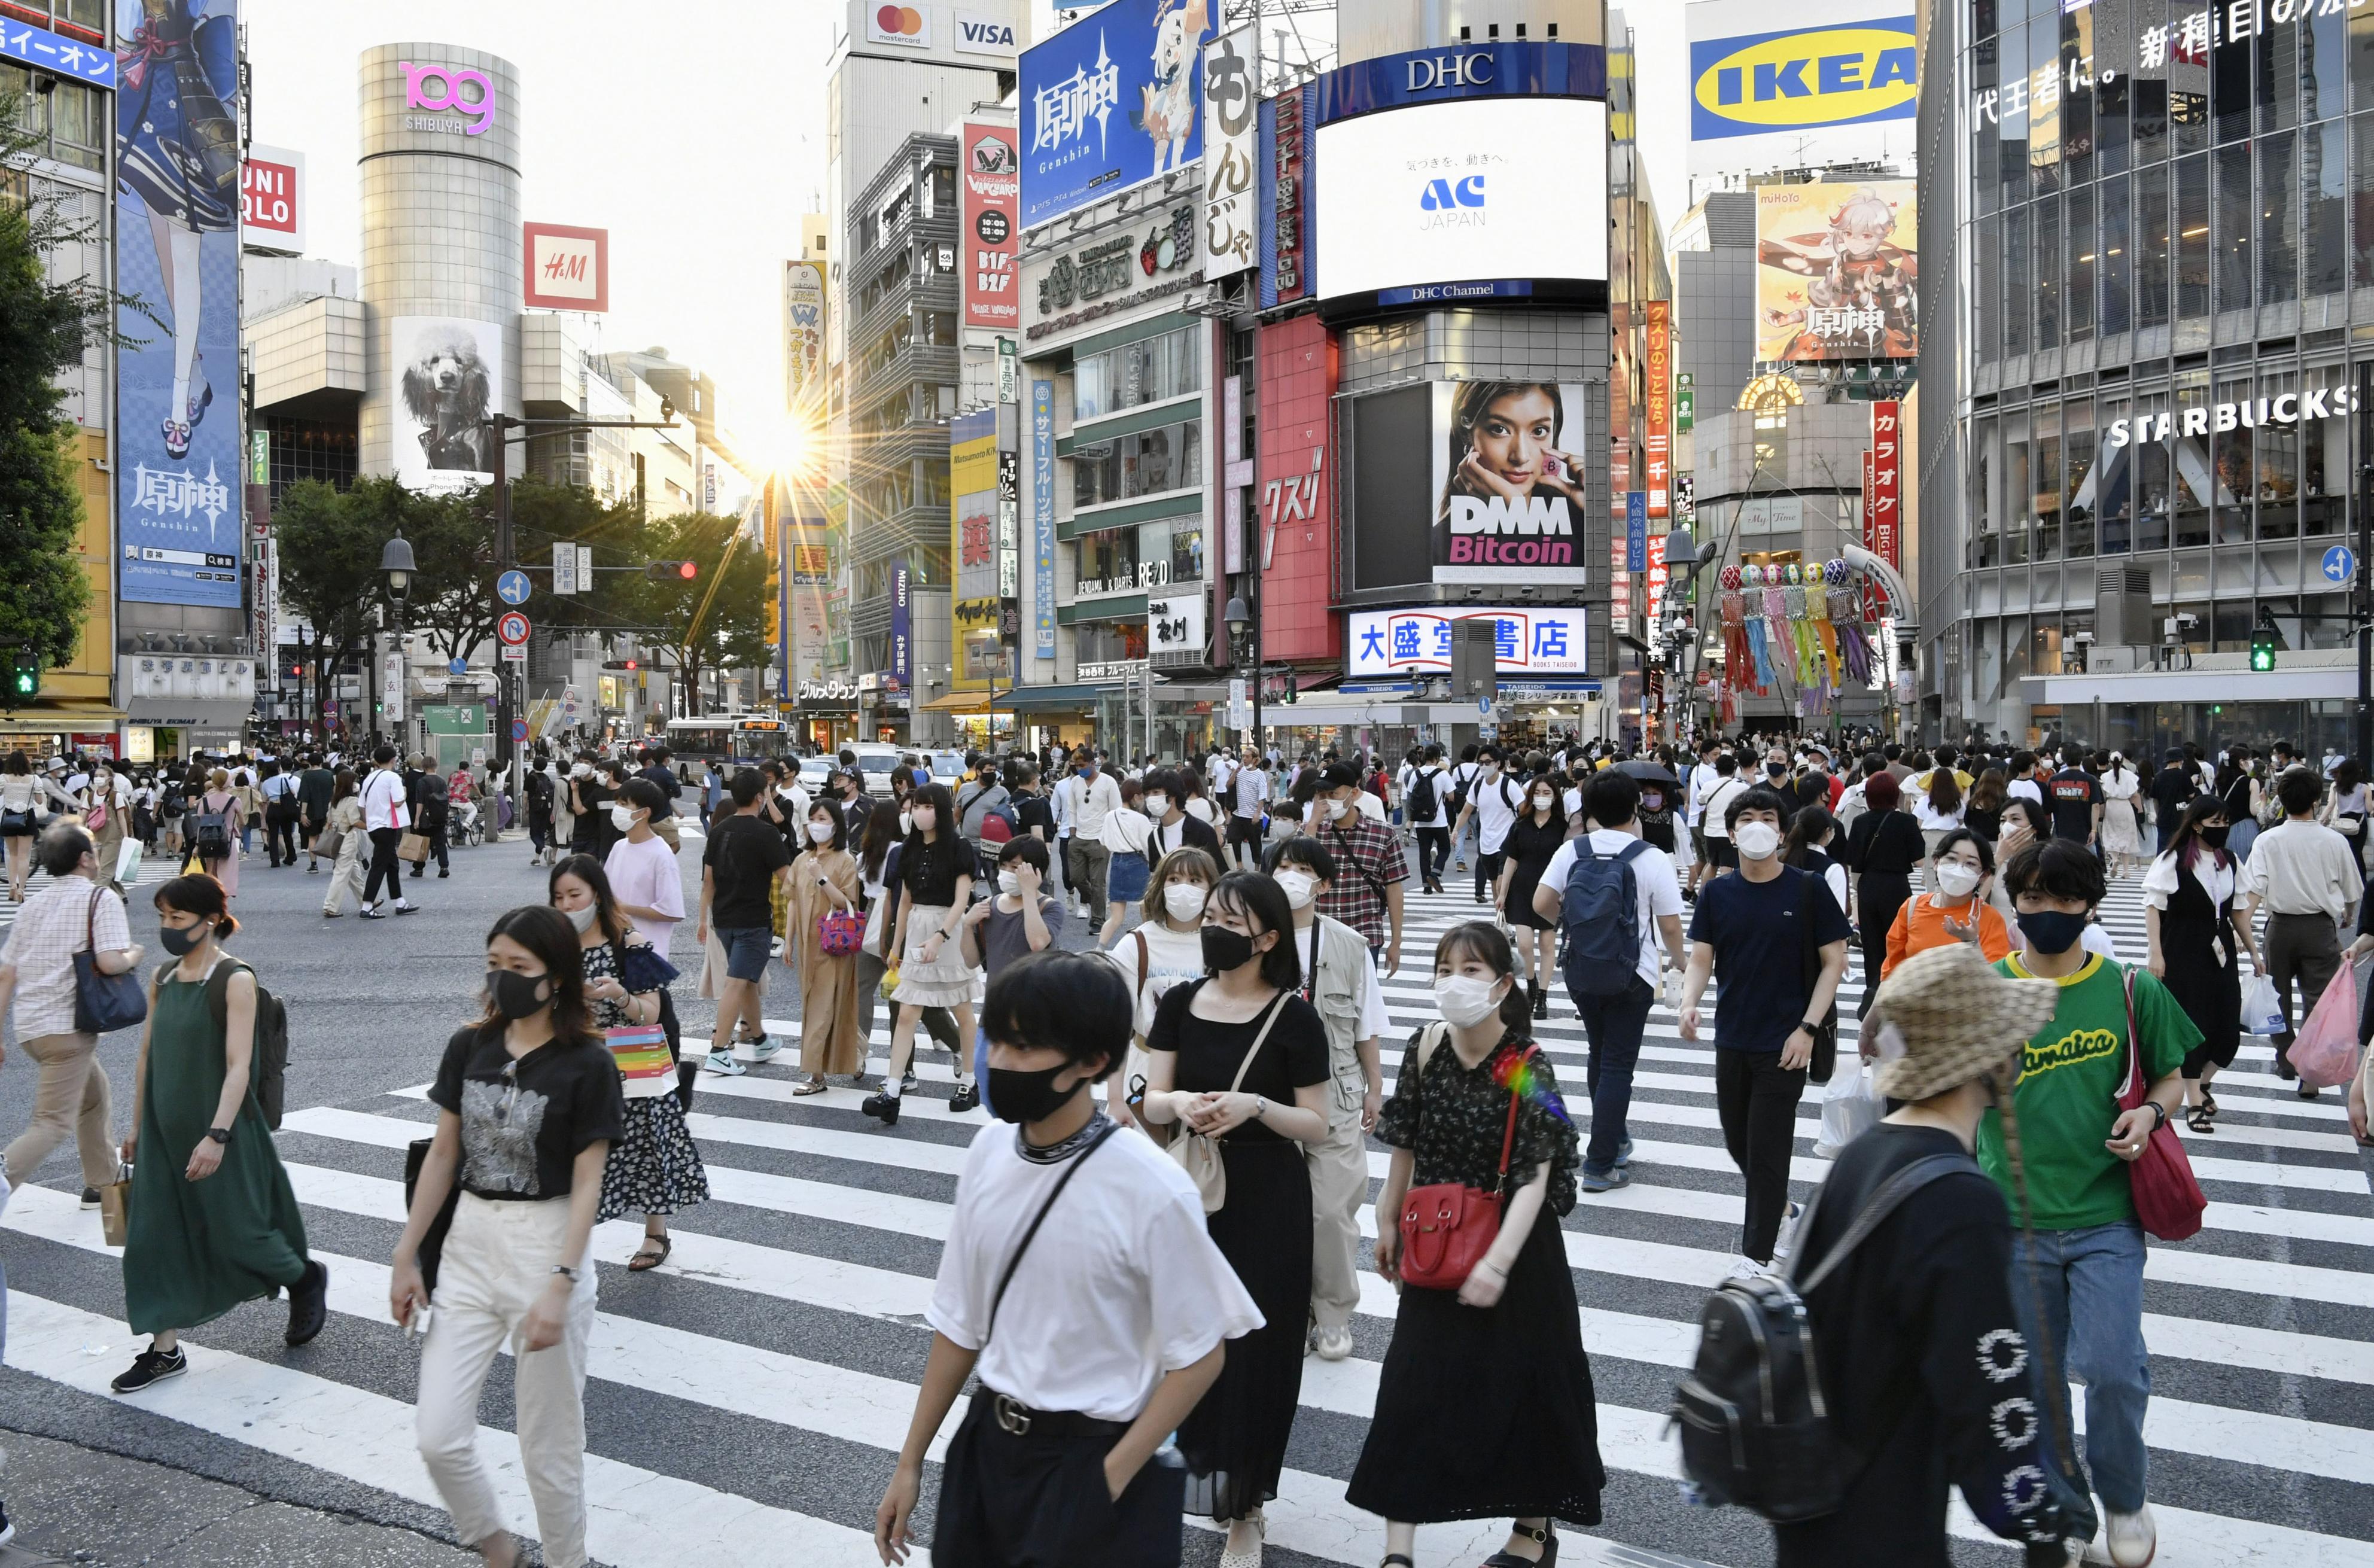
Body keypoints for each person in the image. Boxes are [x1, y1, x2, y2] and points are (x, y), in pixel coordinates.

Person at [871, 951, 1259, 1568]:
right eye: (997, 1040)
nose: (999, 1062)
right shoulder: (987, 1151)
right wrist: (910, 1461)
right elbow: (959, 1323)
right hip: (988, 1444)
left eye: (1024, 1047)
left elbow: (1200, 1354)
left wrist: (1106, 1480)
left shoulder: (1151, 1187)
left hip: (1091, 1454)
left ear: (1092, 1061)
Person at [1775, 942, 2084, 1566]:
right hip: (1883, 1510)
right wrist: (2034, 1518)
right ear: (1987, 1054)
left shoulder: (1863, 1155)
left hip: (1810, 1491)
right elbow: (1982, 1383)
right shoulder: (1957, 1195)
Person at [1350, 920, 1603, 1567]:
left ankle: (1532, 1532)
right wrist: (1384, 1223)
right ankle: (1396, 1551)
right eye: (1444, 969)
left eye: (1469, 970)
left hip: (1517, 1255)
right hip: (1436, 1239)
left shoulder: (1525, 1062)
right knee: (1413, 1385)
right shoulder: (1426, 1045)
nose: (1453, 982)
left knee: (1527, 1386)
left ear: (1501, 984)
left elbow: (1537, 1172)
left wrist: (1496, 1262)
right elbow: (1403, 1142)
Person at [392, 905, 622, 1568]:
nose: (503, 979)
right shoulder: (471, 1045)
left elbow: (588, 1183)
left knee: (548, 1445)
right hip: (468, 1240)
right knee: (438, 1433)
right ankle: (496, 1545)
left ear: (557, 977)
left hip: (545, 1242)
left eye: (519, 967)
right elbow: (442, 1153)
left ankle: (564, 1560)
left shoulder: (588, 1064)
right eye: (494, 964)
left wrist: (562, 1279)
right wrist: (407, 1252)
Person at [1989, 838, 2195, 1568]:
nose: (2048, 911)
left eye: (2064, 897)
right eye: (2034, 897)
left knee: (2112, 1369)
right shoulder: (1986, 990)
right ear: (2013, 901)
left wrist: (2151, 1115)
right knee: (2036, 1381)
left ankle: (2124, 1495)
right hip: (2011, 1219)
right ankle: (2064, 1509)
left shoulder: (2130, 989)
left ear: (2089, 903)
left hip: (2106, 1217)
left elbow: (2171, 1078)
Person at [1136, 871, 1329, 1564]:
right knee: (1180, 1341)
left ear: (1268, 937)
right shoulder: (1181, 1001)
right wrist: (1183, 1102)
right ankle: (1182, 1469)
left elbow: (1316, 1120)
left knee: (1258, 1351)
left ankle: (1246, 1505)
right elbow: (1150, 1100)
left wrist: (1254, 1107)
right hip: (1190, 1193)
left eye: (1230, 917)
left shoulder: (1294, 1015)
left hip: (1269, 1197)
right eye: (1210, 912)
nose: (1212, 923)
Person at [110, 873, 328, 1395]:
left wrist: (217, 1136)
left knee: (241, 1234)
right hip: (165, 1135)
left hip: (221, 1132)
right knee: (151, 1240)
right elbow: (148, 1058)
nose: (167, 927)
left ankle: (302, 1278)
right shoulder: (163, 977)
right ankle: (165, 1351)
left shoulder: (235, 979)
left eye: (177, 918)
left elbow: (239, 1066)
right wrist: (137, 1124)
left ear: (210, 921)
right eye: (162, 917)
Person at [1678, 785, 1850, 1275]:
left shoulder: (1807, 888)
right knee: (1740, 1142)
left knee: (1769, 1149)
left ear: (1782, 831)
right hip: (1733, 1035)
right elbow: (1701, 957)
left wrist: (1808, 1028)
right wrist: (1690, 1004)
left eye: (1769, 818)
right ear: (1731, 833)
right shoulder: (1716, 892)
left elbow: (1833, 961)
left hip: (1787, 1042)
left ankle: (1757, 1256)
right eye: (1748, 818)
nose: (1759, 825)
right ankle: (1786, 1213)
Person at [549, 855, 707, 1272]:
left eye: (574, 895)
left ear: (596, 895)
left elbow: (651, 1012)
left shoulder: (628, 942)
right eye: (559, 897)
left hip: (632, 1054)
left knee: (646, 1145)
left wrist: (618, 994)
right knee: (570, 1146)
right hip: (576, 1060)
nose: (566, 904)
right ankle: (561, 1240)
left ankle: (656, 1232)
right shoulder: (552, 944)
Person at [1533, 769, 1687, 1196]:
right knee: (1618, 1063)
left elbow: (1541, 903)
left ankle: (1614, 1139)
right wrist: (1681, 963)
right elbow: (1670, 926)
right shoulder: (1651, 856)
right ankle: (1601, 1162)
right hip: (1632, 974)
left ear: (1589, 811)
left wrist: (1574, 927)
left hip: (1582, 970)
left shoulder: (1572, 851)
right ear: (1635, 807)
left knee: (1599, 1052)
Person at [1263, 836, 1384, 1363]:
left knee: (1333, 1211)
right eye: (1283, 867)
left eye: (1302, 869)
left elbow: (1367, 1021)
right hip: (1266, 1098)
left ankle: (1333, 1314)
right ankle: (1287, 1309)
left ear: (1324, 883)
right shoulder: (1250, 938)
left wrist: (1375, 1086)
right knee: (1272, 1213)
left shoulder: (1349, 945)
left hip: (1334, 1095)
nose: (1291, 876)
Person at [0, 824, 140, 1210]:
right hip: (68, 1030)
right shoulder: (101, 899)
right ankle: (1, 1183)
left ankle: (103, 1187)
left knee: (95, 1097)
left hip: (31, 1029)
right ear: (85, 859)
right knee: (51, 1123)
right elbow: (111, 962)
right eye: (93, 850)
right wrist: (134, 955)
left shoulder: (32, 905)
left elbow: (6, 973)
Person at [2142, 797, 2262, 1135]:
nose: (2222, 829)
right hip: (2181, 950)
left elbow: (2238, 910)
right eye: (2215, 823)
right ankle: (2194, 1103)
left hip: (2220, 950)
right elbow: (2154, 906)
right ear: (2196, 824)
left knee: (2227, 1028)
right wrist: (2156, 953)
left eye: (2226, 823)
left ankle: (2202, 1084)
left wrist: (2254, 951)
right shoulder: (2173, 860)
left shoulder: (2230, 861)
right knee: (2192, 1024)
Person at [863, 783, 980, 1124]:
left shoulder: (959, 848)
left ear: (940, 810)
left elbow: (962, 900)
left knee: (962, 1008)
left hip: (949, 929)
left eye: (926, 806)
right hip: (916, 929)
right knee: (906, 1013)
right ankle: (893, 1090)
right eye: (915, 807)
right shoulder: (906, 850)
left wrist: (940, 937)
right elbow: (904, 902)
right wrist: (895, 948)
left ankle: (969, 1081)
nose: (918, 813)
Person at [2241, 767, 2356, 1098]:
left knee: (2277, 997)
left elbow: (2255, 889)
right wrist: (2346, 916)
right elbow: (2352, 892)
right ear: (2317, 801)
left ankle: (2285, 1058)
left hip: (2280, 927)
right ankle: (2311, 1072)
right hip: (2320, 927)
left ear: (2282, 800)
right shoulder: (2333, 840)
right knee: (2319, 1001)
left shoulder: (2267, 840)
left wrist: (2243, 930)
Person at [1102, 845, 1221, 1134]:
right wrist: (1115, 1099)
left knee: (1201, 1168)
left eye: (1195, 881)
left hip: (1208, 1070)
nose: (1184, 889)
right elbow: (1118, 1027)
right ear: (1161, 884)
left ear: (1211, 888)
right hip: (1143, 1072)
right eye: (1174, 880)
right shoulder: (1137, 943)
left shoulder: (1221, 940)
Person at [696, 770, 796, 1076]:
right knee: (738, 982)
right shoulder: (765, 833)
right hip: (753, 920)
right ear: (759, 797)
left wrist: (703, 919)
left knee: (747, 980)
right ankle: (718, 1050)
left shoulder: (719, 830)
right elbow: (787, 879)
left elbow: (708, 882)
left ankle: (760, 1038)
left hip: (723, 919)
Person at [958, 836, 1069, 1106]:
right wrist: (966, 925)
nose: (1007, 872)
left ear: (1035, 872)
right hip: (994, 1015)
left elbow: (1037, 943)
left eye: (1016, 867)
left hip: (1035, 1018)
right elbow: (972, 961)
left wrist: (1030, 894)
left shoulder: (1049, 907)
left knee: (1029, 1095)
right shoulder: (991, 906)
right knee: (989, 1089)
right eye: (1004, 865)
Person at [787, 797, 865, 1095]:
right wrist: (788, 941)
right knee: (820, 1004)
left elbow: (845, 901)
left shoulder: (844, 861)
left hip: (833, 945)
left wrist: (821, 878)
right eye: (813, 819)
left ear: (836, 824)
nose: (817, 825)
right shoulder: (800, 859)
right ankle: (857, 1049)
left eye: (823, 819)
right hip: (808, 945)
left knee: (820, 1008)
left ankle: (816, 1075)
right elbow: (792, 900)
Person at [1885, 827, 2014, 979]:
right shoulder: (1911, 907)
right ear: (1936, 862)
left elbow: (1995, 978)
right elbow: (1891, 968)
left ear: (1983, 875)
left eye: (1970, 863)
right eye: (1952, 859)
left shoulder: (1989, 918)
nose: (1959, 868)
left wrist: (1972, 943)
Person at [1843, 771, 1923, 1015]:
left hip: (1869, 886)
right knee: (1898, 944)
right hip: (1897, 886)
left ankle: (1873, 997)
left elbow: (1853, 861)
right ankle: (1898, 997)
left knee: (1872, 946)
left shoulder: (1860, 822)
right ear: (1895, 795)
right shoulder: (1906, 822)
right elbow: (1919, 859)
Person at [1496, 769, 1568, 1019]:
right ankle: (1532, 984)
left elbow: (1569, 862)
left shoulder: (1563, 827)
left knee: (1547, 944)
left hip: (1551, 892)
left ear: (1555, 797)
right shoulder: (1520, 825)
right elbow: (1510, 860)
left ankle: (1543, 997)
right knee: (1525, 944)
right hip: (1521, 889)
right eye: (1537, 792)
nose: (1541, 797)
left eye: (1547, 793)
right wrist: (1502, 893)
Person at [1450, 746, 1524, 908]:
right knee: (1494, 885)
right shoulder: (1477, 786)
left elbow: (1524, 809)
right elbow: (1466, 811)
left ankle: (1509, 922)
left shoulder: (1509, 785)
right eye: (1481, 763)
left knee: (1502, 885)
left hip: (1507, 843)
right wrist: (1455, 830)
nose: (1483, 766)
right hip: (1486, 844)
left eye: (1487, 762)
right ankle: (1502, 919)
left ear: (1498, 764)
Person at [1059, 753, 1124, 930]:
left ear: (1092, 764)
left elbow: (1116, 810)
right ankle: (1097, 898)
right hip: (1078, 837)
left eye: (1082, 765)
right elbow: (1072, 808)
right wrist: (1072, 830)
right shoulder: (1075, 783)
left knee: (1098, 881)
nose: (1079, 769)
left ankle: (1097, 920)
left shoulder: (1108, 782)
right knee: (1076, 877)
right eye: (1076, 766)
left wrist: (1111, 836)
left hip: (1100, 839)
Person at [358, 745, 421, 918]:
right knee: (378, 866)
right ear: (394, 760)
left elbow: (361, 805)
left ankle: (400, 901)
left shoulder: (369, 778)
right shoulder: (393, 777)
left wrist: (369, 822)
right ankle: (367, 905)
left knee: (392, 864)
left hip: (374, 826)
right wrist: (406, 793)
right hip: (387, 825)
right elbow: (398, 802)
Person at [1098, 774, 1156, 947]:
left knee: (1116, 916)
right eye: (1141, 797)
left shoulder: (1111, 816)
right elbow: (1149, 846)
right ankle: (1150, 945)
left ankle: (1100, 947)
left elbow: (1103, 840)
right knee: (1146, 910)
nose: (1143, 801)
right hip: (1137, 862)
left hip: (1117, 862)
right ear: (1135, 797)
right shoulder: (1141, 819)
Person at [317, 771, 370, 918]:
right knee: (341, 873)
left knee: (354, 873)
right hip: (348, 838)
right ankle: (330, 906)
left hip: (337, 838)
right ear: (349, 784)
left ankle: (367, 900)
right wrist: (372, 826)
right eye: (354, 781)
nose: (356, 784)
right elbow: (356, 822)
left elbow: (329, 821)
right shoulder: (351, 801)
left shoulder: (334, 800)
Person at [1142, 767, 1222, 859]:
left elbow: (1217, 870)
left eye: (1156, 792)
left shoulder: (1202, 831)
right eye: (1147, 794)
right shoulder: (1154, 838)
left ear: (1172, 796)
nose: (1150, 798)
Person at [1404, 746, 1454, 894]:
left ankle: (1426, 886)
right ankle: (1435, 873)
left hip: (1420, 821)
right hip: (1438, 820)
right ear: (1437, 758)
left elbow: (1410, 797)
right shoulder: (1443, 774)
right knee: (1445, 848)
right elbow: (1451, 796)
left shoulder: (1415, 774)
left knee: (1424, 852)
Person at [1696, 753, 1747, 883]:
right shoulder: (1742, 788)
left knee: (1712, 864)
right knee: (1727, 867)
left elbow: (1700, 801)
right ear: (1734, 770)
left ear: (1717, 770)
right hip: (1730, 833)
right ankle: (1725, 895)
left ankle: (1704, 894)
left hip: (1710, 832)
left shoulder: (1709, 786)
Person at [194, 767, 243, 899]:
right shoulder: (234, 801)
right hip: (227, 837)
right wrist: (237, 829)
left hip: (207, 837)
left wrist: (197, 844)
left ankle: (211, 893)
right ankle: (224, 894)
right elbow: (242, 821)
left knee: (211, 868)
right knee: (227, 869)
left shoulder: (205, 801)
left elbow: (201, 823)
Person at [1225, 744, 1271, 875]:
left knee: (1255, 842)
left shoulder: (1259, 774)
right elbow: (1228, 784)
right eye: (1243, 756)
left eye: (1247, 757)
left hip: (1253, 814)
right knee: (1233, 837)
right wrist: (1236, 771)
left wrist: (1258, 812)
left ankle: (1257, 868)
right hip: (1239, 813)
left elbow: (1262, 795)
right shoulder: (1241, 771)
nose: (1244, 759)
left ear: (1254, 759)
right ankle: (1240, 865)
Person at [2046, 750, 2103, 850]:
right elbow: (2096, 806)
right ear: (2081, 759)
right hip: (2084, 831)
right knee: (2086, 861)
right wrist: (2094, 830)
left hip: (2061, 830)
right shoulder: (2091, 779)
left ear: (2064, 760)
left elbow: (2048, 806)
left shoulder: (2054, 779)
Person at [2101, 754, 2144, 876]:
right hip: (2125, 806)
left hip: (2111, 806)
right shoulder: (2130, 776)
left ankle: (2115, 859)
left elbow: (2103, 794)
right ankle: (2126, 870)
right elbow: (2135, 794)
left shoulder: (2105, 776)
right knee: (2126, 837)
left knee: (2110, 834)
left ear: (2110, 761)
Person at [2147, 749, 2196, 854]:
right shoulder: (2183, 774)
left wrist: (2158, 815)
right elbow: (2191, 794)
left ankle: (2162, 869)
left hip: (2164, 817)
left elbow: (2155, 799)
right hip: (2181, 816)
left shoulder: (2159, 776)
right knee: (2182, 847)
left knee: (2163, 849)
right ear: (2180, 761)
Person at [296, 752, 336, 873]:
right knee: (332, 837)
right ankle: (336, 863)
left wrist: (303, 814)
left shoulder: (307, 776)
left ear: (309, 763)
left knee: (312, 838)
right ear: (322, 761)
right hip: (328, 811)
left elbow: (304, 797)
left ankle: (314, 865)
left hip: (312, 812)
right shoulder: (329, 774)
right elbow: (334, 792)